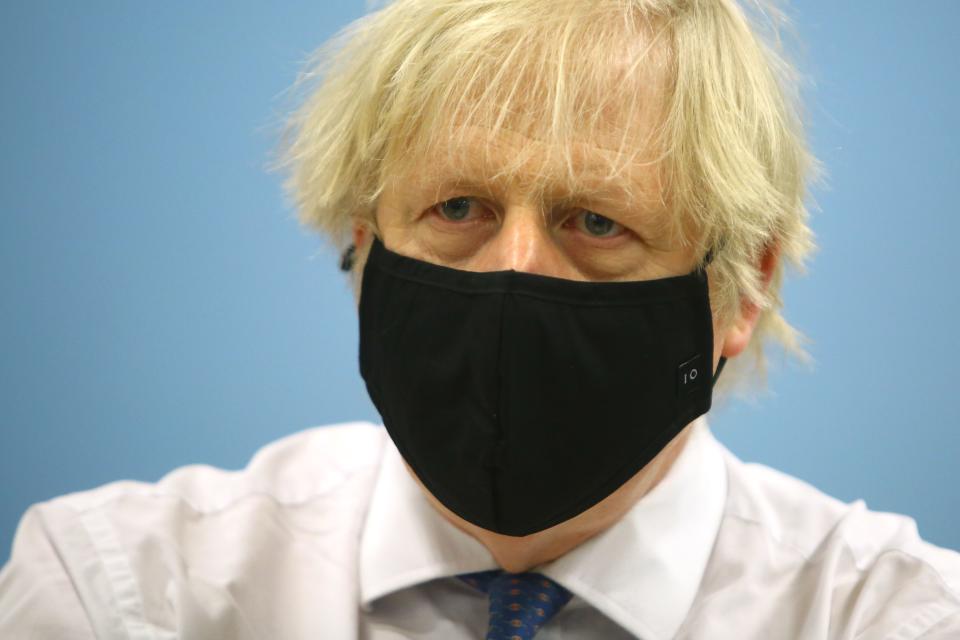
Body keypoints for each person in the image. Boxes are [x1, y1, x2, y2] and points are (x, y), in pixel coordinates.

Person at [2, 0, 958, 637]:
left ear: (739, 290)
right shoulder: (125, 593)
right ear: (364, 240)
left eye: (597, 221)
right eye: (458, 209)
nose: (515, 272)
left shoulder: (895, 617)